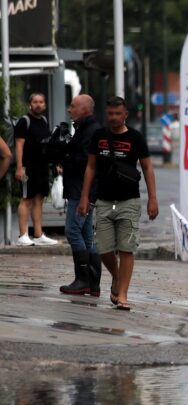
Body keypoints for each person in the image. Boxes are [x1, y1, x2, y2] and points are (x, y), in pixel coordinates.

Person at [77, 96, 158, 311]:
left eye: (117, 114)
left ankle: (122, 294)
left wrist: (153, 198)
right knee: (103, 250)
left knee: (126, 250)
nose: (113, 117)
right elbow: (91, 167)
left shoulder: (136, 138)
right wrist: (84, 197)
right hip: (103, 201)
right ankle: (116, 277)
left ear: (125, 115)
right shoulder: (99, 136)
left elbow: (148, 168)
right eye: (110, 114)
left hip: (129, 202)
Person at [59, 94, 104, 296]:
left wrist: (64, 156)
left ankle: (83, 280)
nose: (70, 110)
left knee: (73, 231)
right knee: (87, 236)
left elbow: (85, 162)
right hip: (83, 190)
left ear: (85, 109)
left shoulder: (91, 131)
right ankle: (93, 282)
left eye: (73, 106)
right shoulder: (85, 129)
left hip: (82, 191)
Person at [14, 92, 58, 246]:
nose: (38, 104)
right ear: (30, 104)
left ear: (45, 105)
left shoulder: (44, 121)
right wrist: (20, 167)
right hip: (28, 168)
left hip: (42, 167)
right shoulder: (24, 121)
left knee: (39, 199)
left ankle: (39, 234)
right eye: (35, 102)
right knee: (26, 199)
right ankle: (22, 235)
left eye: (41, 102)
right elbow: (19, 146)